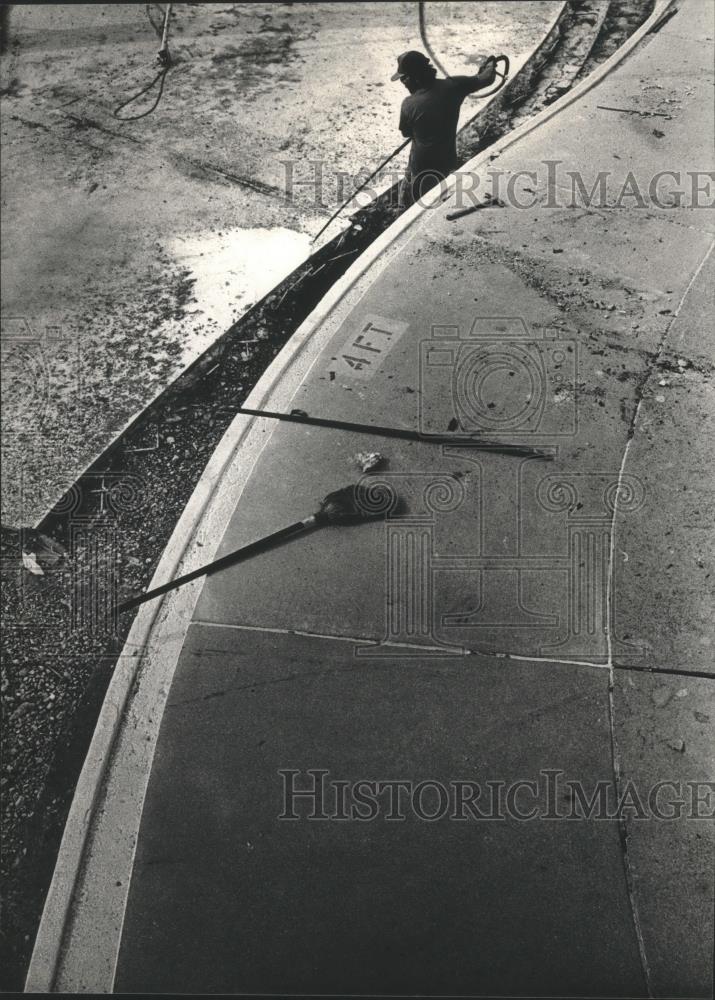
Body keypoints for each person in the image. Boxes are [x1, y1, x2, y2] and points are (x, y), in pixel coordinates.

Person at [392, 49, 498, 206]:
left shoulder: (409, 104)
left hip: (420, 169)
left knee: (411, 206)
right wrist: (491, 63)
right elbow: (487, 78)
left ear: (415, 78)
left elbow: (406, 133)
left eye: (404, 78)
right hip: (446, 163)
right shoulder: (454, 86)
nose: (403, 83)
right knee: (437, 202)